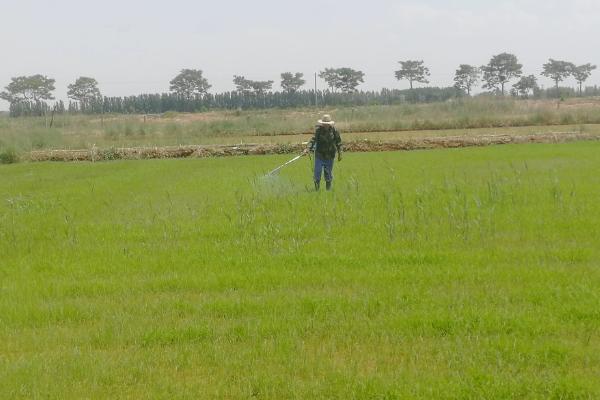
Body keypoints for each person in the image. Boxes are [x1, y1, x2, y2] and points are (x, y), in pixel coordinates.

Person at [304, 114, 342, 191]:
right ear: (322, 123)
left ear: (330, 124)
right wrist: (308, 149)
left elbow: (339, 143)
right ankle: (316, 190)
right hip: (319, 156)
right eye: (324, 124)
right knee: (317, 173)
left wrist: (340, 153)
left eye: (327, 124)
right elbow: (313, 140)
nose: (326, 125)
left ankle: (328, 190)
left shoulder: (334, 131)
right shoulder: (318, 131)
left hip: (330, 156)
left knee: (328, 174)